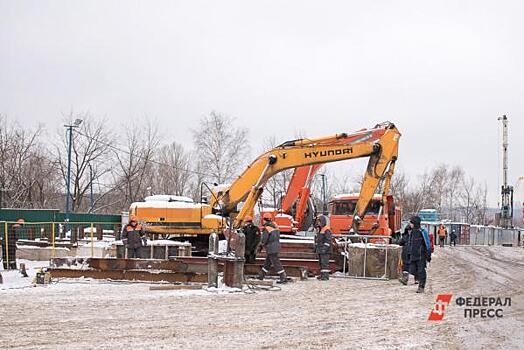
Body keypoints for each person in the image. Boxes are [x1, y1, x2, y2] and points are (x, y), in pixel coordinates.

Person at [257, 213, 288, 284]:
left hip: (271, 247)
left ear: (264, 220)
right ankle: (261, 275)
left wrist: (260, 246)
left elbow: (264, 239)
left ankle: (283, 277)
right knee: (267, 262)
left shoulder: (267, 228)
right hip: (276, 246)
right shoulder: (275, 227)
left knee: (276, 262)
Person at [408, 216, 432, 293]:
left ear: (415, 223)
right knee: (412, 270)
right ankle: (418, 280)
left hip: (421, 256)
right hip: (413, 255)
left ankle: (421, 286)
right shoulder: (411, 232)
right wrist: (409, 253)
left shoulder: (422, 232)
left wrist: (428, 255)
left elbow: (428, 244)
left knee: (421, 271)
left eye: (411, 223)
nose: (410, 224)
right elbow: (410, 243)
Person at [314, 215, 333, 281]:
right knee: (321, 263)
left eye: (319, 221)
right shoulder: (320, 229)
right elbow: (318, 240)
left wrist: (324, 249)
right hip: (321, 249)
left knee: (324, 263)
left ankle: (325, 276)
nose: (318, 223)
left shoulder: (326, 229)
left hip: (325, 250)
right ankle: (322, 275)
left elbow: (328, 240)